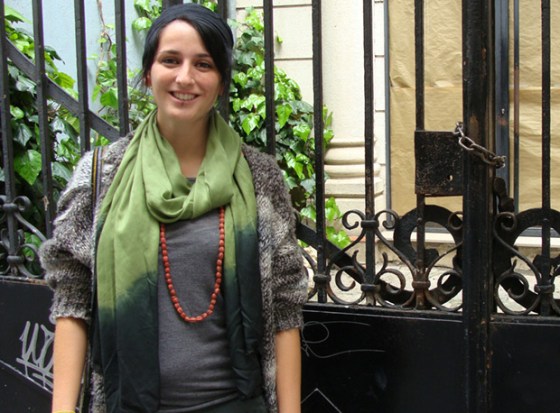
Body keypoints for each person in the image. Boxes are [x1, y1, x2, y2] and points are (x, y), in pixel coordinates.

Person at [39, 3, 308, 413]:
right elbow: (72, 300)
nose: (185, 77)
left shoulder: (259, 178)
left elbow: (284, 307)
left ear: (221, 82)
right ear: (149, 74)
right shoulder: (101, 175)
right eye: (170, 60)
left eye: (203, 64)